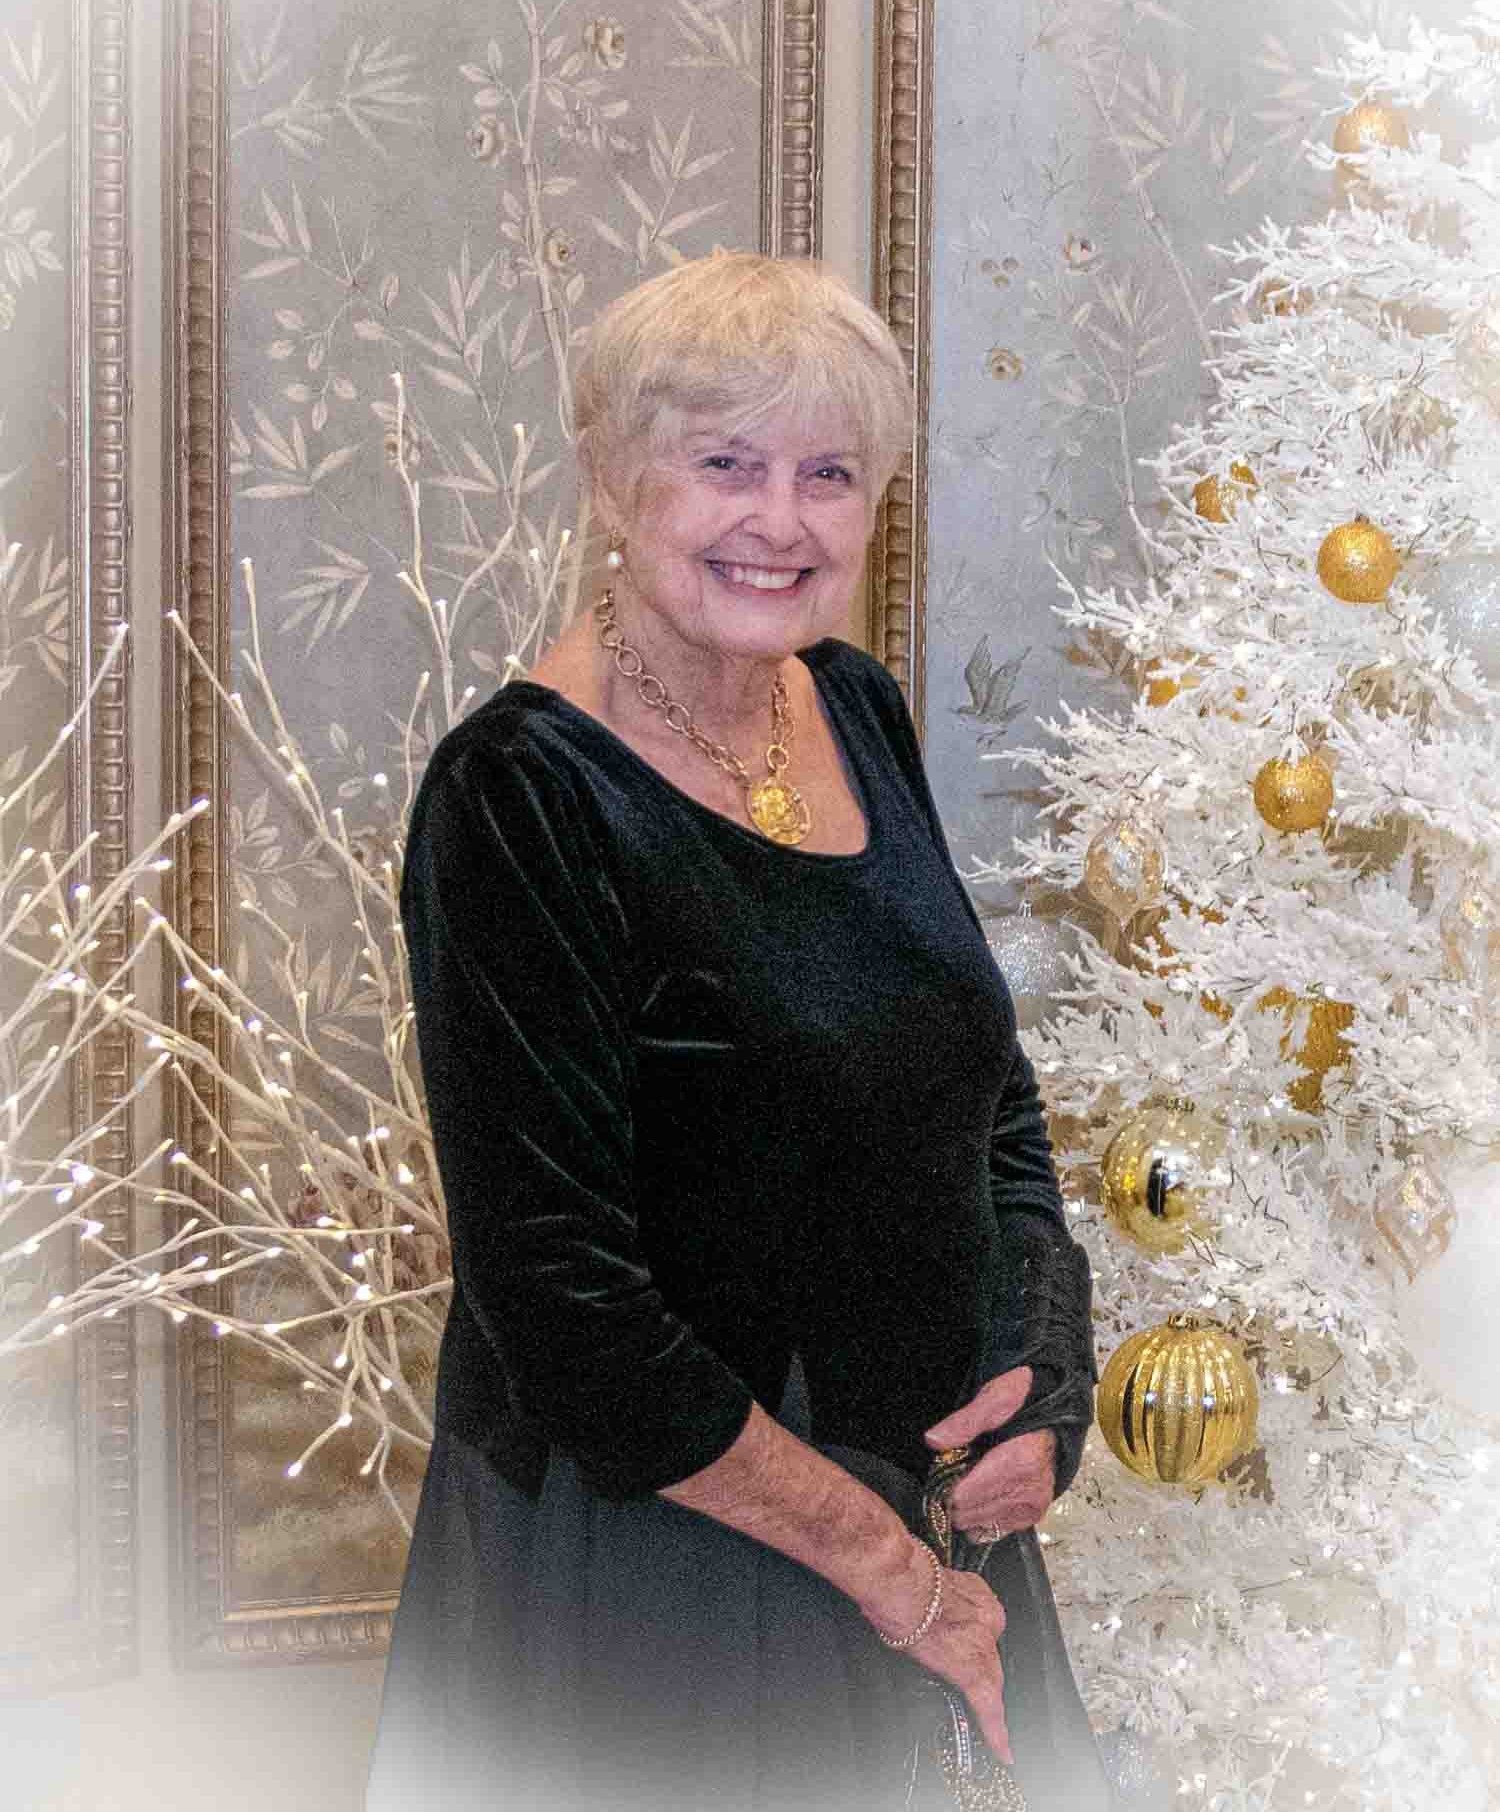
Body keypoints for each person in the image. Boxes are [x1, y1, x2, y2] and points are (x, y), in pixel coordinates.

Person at [365, 253, 1109, 1812]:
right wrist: (891, 1577)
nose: (782, 521)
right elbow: (566, 1314)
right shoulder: (518, 796)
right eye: (725, 465)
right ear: (616, 484)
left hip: (935, 1532)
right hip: (670, 1575)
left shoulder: (848, 704)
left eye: (828, 474)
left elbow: (984, 1094)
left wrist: (1044, 1358)